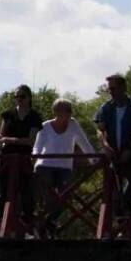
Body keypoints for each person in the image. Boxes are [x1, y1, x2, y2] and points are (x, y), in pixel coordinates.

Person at [93, 73, 131, 236]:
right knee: (115, 192)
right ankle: (122, 227)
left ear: (123, 88)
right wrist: (105, 146)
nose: (111, 92)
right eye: (109, 89)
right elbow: (100, 130)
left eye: (113, 88)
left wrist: (130, 150)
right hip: (114, 156)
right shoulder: (106, 108)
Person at [31, 98, 96, 238]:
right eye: (66, 110)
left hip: (64, 167)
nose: (70, 113)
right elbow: (38, 146)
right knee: (50, 198)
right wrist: (35, 155)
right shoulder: (45, 126)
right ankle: (44, 226)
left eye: (70, 110)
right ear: (56, 112)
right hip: (45, 165)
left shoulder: (73, 125)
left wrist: (94, 160)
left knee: (66, 197)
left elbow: (84, 143)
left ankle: (47, 222)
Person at [0, 84, 44, 236]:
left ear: (29, 98)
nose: (19, 99)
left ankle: (28, 229)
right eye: (16, 97)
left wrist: (8, 139)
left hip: (24, 159)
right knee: (2, 194)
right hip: (6, 158)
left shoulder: (34, 116)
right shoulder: (7, 114)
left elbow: (30, 141)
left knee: (26, 193)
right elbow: (1, 137)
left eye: (22, 96)